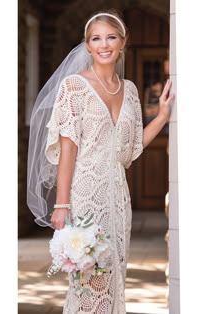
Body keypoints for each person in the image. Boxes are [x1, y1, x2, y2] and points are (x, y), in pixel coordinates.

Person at [27, 10, 174, 314]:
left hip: (119, 197)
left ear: (123, 43)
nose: (104, 44)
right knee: (90, 280)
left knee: (115, 276)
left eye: (111, 37)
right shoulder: (74, 87)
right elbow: (68, 150)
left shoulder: (130, 90)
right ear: (88, 45)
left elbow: (133, 146)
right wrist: (62, 204)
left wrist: (161, 116)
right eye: (96, 39)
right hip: (85, 195)